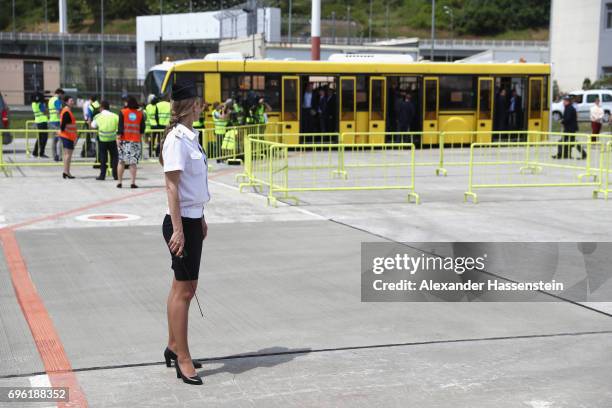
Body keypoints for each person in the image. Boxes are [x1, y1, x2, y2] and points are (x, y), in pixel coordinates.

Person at [159, 80, 209, 386]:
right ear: (191, 105)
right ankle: (183, 359)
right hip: (180, 224)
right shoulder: (177, 140)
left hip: (192, 219)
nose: (203, 106)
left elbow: (193, 186)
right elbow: (172, 187)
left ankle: (173, 346)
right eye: (200, 102)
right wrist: (178, 229)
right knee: (185, 291)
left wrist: (200, 217)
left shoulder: (191, 137)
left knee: (181, 288)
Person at [116, 96, 145, 188]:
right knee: (133, 163)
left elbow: (120, 127)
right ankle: (132, 183)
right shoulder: (140, 114)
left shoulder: (123, 112)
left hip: (124, 140)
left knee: (121, 162)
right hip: (135, 141)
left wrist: (118, 138)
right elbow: (142, 129)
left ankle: (119, 182)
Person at [91, 100, 119, 180]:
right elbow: (119, 126)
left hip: (102, 140)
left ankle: (102, 175)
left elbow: (93, 126)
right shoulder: (115, 116)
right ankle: (115, 175)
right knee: (114, 157)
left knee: (103, 158)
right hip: (113, 139)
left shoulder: (98, 116)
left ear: (102, 107)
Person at [553, 95, 586, 160]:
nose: (563, 102)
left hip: (570, 128)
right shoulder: (568, 107)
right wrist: (563, 120)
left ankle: (583, 154)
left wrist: (562, 121)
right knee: (566, 141)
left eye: (565, 101)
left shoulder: (570, 108)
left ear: (568, 101)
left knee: (568, 142)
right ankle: (565, 154)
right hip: (569, 128)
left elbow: (568, 118)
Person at [58, 95, 78, 179]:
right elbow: (63, 125)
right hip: (67, 136)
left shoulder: (67, 111)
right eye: (71, 101)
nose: (72, 102)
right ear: (66, 102)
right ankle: (66, 172)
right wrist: (61, 131)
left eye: (73, 100)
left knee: (67, 155)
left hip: (68, 136)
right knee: (67, 155)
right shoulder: (66, 111)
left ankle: (66, 171)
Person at [31, 92, 49, 158]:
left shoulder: (33, 104)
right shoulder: (40, 104)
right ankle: (41, 152)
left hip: (38, 121)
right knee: (44, 138)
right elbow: (44, 111)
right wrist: (44, 105)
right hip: (43, 121)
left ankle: (35, 152)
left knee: (39, 138)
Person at [48, 88, 64, 162]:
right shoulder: (57, 100)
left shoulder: (50, 100)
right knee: (61, 140)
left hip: (51, 121)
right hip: (57, 121)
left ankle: (54, 156)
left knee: (54, 140)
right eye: (62, 94)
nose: (62, 96)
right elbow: (59, 111)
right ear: (59, 93)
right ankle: (60, 157)